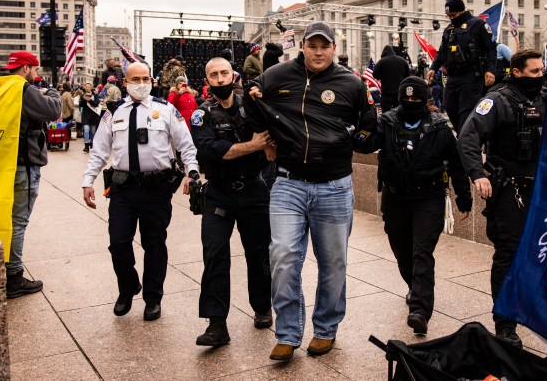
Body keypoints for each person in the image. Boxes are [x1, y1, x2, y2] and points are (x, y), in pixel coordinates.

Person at [244, 21, 377, 361]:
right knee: (284, 258)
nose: (318, 51)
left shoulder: (350, 84)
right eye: (312, 45)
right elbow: (251, 102)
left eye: (325, 46)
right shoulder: (276, 75)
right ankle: (288, 333)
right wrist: (266, 141)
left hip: (334, 187)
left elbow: (369, 130)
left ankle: (325, 329)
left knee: (333, 264)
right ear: (302, 46)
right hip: (288, 183)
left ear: (333, 48)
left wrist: (349, 143)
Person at [82, 62, 198, 321]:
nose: (142, 83)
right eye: (136, 79)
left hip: (156, 189)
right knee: (118, 242)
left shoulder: (166, 110)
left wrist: (191, 171)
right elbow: (100, 150)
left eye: (146, 78)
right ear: (125, 82)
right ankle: (128, 286)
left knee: (154, 244)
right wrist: (87, 180)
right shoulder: (113, 112)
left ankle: (153, 298)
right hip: (123, 188)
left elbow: (186, 145)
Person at [371, 77, 472, 335]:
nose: (411, 103)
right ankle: (414, 287)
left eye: (416, 99)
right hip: (395, 198)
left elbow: (457, 165)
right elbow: (366, 143)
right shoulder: (387, 122)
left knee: (422, 253)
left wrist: (464, 198)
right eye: (407, 99)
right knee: (401, 251)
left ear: (425, 100)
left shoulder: (440, 127)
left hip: (429, 198)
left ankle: (420, 309)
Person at [458, 49, 545, 348]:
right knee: (507, 256)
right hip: (510, 191)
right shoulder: (496, 99)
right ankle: (505, 324)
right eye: (534, 72)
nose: (540, 76)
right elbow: (468, 137)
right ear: (517, 72)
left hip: (543, 191)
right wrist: (477, 174)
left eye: (541, 70)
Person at [190, 57, 273, 347]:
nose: (221, 78)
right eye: (214, 75)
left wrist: (262, 147)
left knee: (259, 253)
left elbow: (271, 137)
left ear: (233, 74)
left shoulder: (251, 105)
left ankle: (263, 307)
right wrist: (251, 146)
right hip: (219, 192)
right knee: (214, 255)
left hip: (253, 190)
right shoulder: (201, 114)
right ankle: (216, 324)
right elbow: (210, 151)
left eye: (225, 72)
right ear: (208, 80)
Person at [0, 51, 61, 298]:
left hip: (4, 161)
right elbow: (54, 110)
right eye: (35, 71)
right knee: (18, 221)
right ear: (25, 68)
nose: (36, 76)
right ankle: (14, 276)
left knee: (5, 217)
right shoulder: (24, 90)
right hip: (23, 165)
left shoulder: (2, 88)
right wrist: (52, 92)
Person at [427, 0, 497, 135]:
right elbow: (442, 51)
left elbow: (491, 48)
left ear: (461, 11)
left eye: (453, 15)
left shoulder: (478, 25)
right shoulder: (449, 29)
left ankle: (465, 140)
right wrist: (433, 68)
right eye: (448, 16)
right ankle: (465, 137)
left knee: (466, 110)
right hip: (453, 77)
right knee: (449, 106)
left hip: (471, 76)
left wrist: (491, 70)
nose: (451, 18)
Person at [373, 45, 411, 112]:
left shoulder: (381, 61)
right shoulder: (403, 61)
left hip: (386, 93)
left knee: (386, 114)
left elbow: (375, 75)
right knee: (399, 113)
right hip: (399, 92)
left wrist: (383, 76)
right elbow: (408, 76)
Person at [79, 81, 100, 153]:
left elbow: (96, 104)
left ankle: (92, 144)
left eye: (88, 87)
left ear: (91, 87)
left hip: (94, 115)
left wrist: (89, 100)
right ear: (84, 88)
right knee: (86, 129)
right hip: (86, 115)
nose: (87, 88)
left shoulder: (95, 95)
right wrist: (84, 100)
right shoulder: (83, 95)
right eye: (86, 87)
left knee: (93, 131)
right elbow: (80, 105)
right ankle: (86, 145)